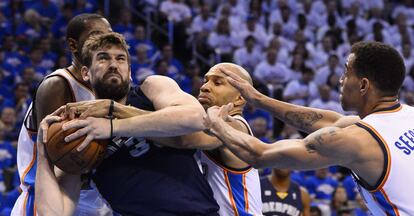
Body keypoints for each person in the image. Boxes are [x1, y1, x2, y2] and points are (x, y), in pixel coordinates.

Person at [204, 41, 414, 215]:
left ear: (363, 85)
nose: (341, 80)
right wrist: (258, 98)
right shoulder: (407, 115)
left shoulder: (358, 140)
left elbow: (259, 154)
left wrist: (216, 123)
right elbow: (326, 121)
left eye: (346, 72)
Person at [35, 32, 220, 215]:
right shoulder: (81, 130)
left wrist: (114, 118)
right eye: (103, 58)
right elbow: (53, 213)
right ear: (85, 73)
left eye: (121, 59)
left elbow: (196, 118)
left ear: (130, 73)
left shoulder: (151, 89)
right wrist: (43, 154)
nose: (114, 65)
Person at [62, 61, 263, 215]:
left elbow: (183, 138)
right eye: (205, 80)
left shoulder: (233, 125)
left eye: (217, 83)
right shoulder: (212, 120)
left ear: (239, 98)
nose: (205, 87)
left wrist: (116, 113)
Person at [11, 13, 113, 215]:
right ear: (73, 46)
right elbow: (61, 156)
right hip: (46, 199)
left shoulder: (107, 87)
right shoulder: (57, 85)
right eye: (95, 36)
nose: (103, 42)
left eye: (109, 36)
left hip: (93, 200)